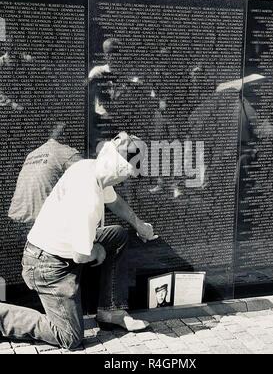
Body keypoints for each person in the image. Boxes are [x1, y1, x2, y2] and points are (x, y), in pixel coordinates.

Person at [0, 132, 157, 350]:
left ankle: (111, 310)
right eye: (130, 175)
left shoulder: (92, 169)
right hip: (47, 267)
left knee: (117, 235)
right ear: (123, 173)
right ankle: (2, 316)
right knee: (70, 338)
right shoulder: (88, 198)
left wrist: (138, 224)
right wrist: (98, 249)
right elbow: (80, 255)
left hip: (56, 250)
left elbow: (114, 201)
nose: (128, 180)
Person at [8, 122, 83, 227]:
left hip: (16, 218)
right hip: (40, 223)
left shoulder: (33, 154)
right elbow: (90, 176)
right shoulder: (66, 151)